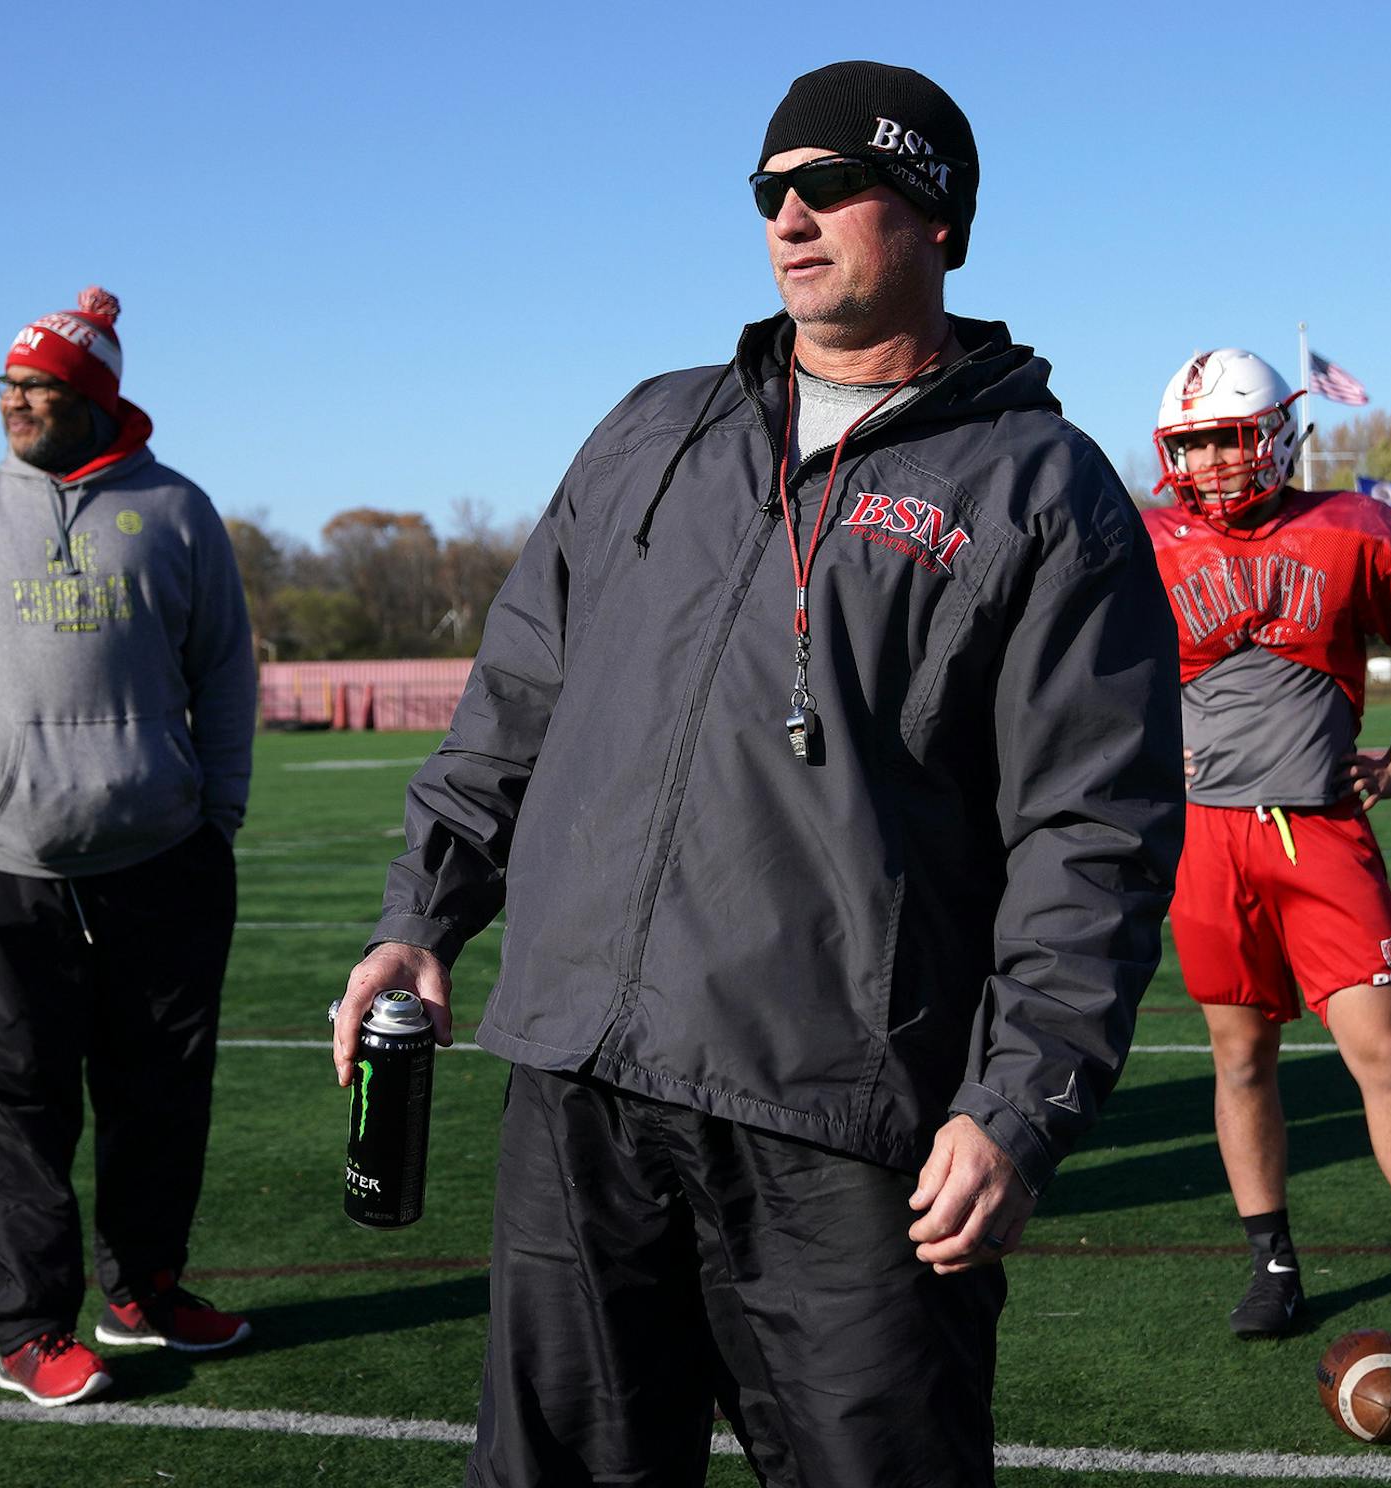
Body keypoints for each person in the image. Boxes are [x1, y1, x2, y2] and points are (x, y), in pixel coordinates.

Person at [334, 61, 1184, 1486]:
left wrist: (1020, 1100)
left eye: (830, 186)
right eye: (768, 191)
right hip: (579, 1076)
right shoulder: (655, 431)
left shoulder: (1043, 489)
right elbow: (515, 703)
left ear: (938, 219)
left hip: (843, 1117)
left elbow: (1091, 838)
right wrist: (420, 917)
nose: (790, 217)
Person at [0, 287, 258, 1407]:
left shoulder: (179, 512)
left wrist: (218, 814)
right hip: (4, 873)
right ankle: (31, 1332)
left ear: (95, 395)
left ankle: (143, 1291)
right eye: (9, 386)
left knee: (161, 1095)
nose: (18, 404)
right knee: (23, 1106)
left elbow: (226, 672)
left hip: (164, 862)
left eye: (40, 387)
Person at [1140, 347, 1391, 1352]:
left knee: (1385, 1056)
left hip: (1320, 830)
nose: (1211, 463)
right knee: (1239, 1064)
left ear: (1276, 432)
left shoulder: (1357, 529)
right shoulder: (1139, 541)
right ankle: (1272, 1263)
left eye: (1227, 438)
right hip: (1207, 841)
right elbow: (1074, 668)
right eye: (1191, 443)